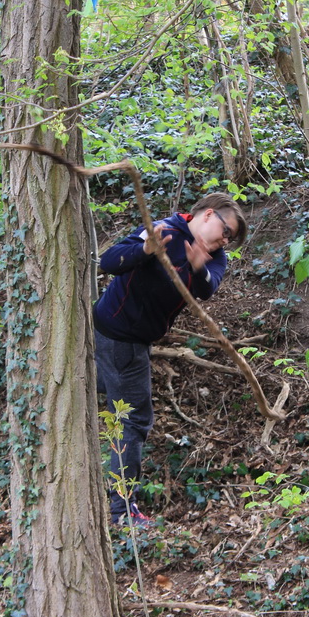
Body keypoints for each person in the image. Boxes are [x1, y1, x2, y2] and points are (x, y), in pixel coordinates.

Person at [94, 193, 248, 526]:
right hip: (120, 336)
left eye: (230, 239)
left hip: (133, 339)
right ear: (208, 215)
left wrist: (197, 267)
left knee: (106, 396)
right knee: (134, 420)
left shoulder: (215, 257)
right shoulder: (162, 230)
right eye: (226, 231)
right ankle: (122, 511)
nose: (225, 241)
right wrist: (145, 250)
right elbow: (108, 261)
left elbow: (208, 288)